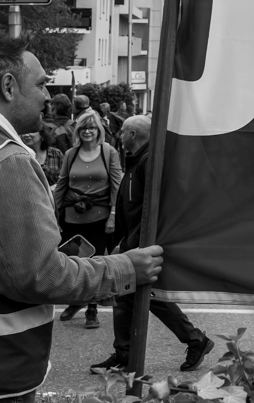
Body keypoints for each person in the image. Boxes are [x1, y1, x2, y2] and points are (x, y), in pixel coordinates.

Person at [0, 36, 162, 403]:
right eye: (41, 84)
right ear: (9, 87)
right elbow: (38, 275)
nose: (49, 96)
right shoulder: (6, 160)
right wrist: (126, 268)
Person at [91, 116, 214, 374]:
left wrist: (128, 245)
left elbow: (150, 210)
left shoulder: (148, 162)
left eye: (122, 132)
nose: (119, 135)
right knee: (130, 297)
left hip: (140, 245)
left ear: (133, 134)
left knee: (143, 295)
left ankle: (193, 340)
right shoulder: (138, 160)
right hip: (135, 243)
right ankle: (130, 351)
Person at [51, 110, 123, 330]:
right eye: (83, 128)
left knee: (96, 261)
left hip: (99, 218)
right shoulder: (71, 154)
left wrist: (112, 215)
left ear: (98, 130)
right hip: (72, 217)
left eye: (92, 128)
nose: (88, 131)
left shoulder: (108, 152)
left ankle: (92, 308)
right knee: (74, 261)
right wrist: (52, 211)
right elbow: (62, 183)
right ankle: (76, 301)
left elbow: (116, 185)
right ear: (78, 131)